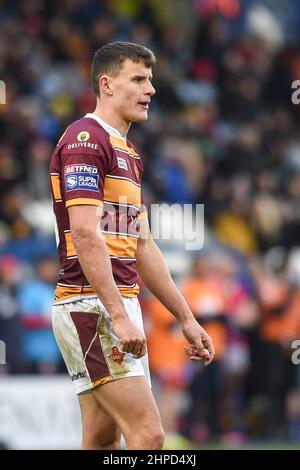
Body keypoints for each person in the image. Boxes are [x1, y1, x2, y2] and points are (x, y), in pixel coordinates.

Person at [50, 41, 215, 450]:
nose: (151, 90)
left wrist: (186, 317)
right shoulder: (86, 140)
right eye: (138, 79)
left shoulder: (127, 152)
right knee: (149, 435)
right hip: (92, 305)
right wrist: (119, 315)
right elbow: (85, 234)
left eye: (151, 80)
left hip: (109, 305)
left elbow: (140, 245)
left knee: (103, 441)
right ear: (106, 85)